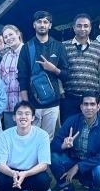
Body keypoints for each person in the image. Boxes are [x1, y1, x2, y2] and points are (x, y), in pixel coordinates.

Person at [52, 93, 100, 191]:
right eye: (85, 104)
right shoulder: (71, 121)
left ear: (98, 107)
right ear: (81, 107)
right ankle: (68, 189)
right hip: (73, 160)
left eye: (92, 104)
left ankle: (93, 187)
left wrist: (78, 166)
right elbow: (54, 144)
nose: (89, 107)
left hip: (92, 165)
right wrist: (63, 145)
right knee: (53, 158)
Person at [17, 11, 69, 139]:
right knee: (30, 137)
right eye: (39, 22)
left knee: (48, 138)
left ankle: (46, 160)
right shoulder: (27, 47)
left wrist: (53, 69)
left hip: (53, 102)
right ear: (34, 25)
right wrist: (25, 103)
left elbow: (66, 74)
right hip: (32, 102)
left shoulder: (58, 46)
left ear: (50, 25)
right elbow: (22, 76)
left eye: (45, 22)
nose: (42, 25)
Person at [0, 102, 52, 191]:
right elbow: (0, 164)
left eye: (27, 114)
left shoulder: (42, 135)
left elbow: (44, 164)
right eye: (19, 114)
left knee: (44, 180)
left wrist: (25, 174)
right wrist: (13, 173)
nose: (23, 117)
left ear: (33, 118)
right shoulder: (4, 135)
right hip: (11, 173)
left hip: (32, 173)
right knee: (0, 181)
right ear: (14, 117)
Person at [61, 14, 100, 122]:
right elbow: (59, 70)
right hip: (70, 98)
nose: (82, 28)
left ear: (90, 28)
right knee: (70, 131)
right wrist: (61, 91)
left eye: (86, 26)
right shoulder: (63, 46)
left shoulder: (98, 46)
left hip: (92, 100)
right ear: (74, 27)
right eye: (79, 26)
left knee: (92, 131)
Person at [0, 24, 24, 129]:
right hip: (8, 107)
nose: (8, 38)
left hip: (25, 105)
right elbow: (0, 81)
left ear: (18, 34)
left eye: (11, 34)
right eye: (6, 37)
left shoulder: (29, 51)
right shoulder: (5, 57)